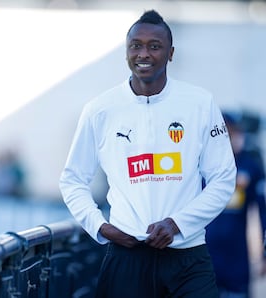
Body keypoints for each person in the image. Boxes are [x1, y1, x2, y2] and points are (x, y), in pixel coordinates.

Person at [59, 10, 236, 298]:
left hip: (188, 256)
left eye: (154, 46)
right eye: (136, 46)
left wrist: (177, 224)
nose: (144, 53)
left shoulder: (200, 103)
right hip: (126, 256)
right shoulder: (100, 109)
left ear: (171, 53)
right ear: (126, 52)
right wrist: (101, 227)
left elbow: (223, 178)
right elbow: (72, 179)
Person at [206, 112, 266, 298]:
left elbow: (263, 210)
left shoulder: (250, 165)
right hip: (204, 255)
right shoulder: (203, 165)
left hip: (237, 257)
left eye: (233, 130)